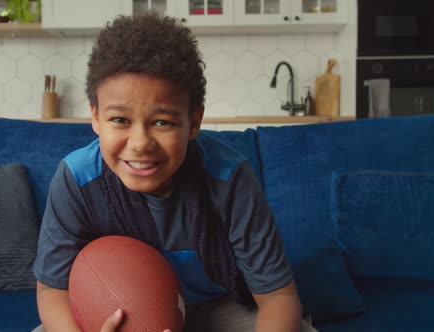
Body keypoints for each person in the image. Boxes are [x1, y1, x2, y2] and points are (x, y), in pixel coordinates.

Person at [33, 11, 313, 332]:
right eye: (120, 120)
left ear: (193, 121)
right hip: (120, 313)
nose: (140, 143)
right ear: (95, 117)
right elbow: (52, 288)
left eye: (162, 122)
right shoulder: (76, 179)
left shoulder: (229, 179)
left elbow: (278, 296)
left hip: (217, 308)